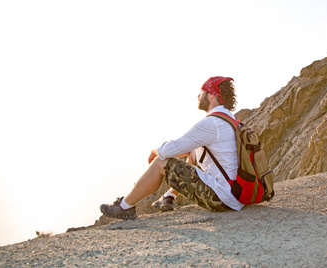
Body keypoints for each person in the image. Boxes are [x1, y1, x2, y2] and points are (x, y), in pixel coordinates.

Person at [100, 76, 244, 219]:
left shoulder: (212, 123)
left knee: (160, 162)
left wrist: (154, 151)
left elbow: (167, 151)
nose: (198, 96)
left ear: (212, 95)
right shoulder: (232, 121)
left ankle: (125, 207)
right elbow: (190, 148)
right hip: (236, 194)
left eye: (202, 92)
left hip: (221, 198)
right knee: (194, 151)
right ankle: (169, 196)